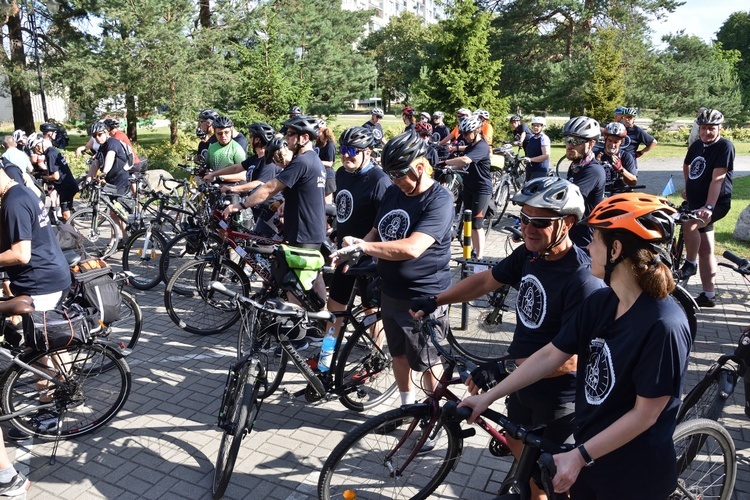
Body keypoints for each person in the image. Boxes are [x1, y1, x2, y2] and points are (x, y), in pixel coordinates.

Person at [459, 193, 691, 499]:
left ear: (616, 249)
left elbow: (644, 415)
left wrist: (580, 455)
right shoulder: (601, 302)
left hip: (630, 474)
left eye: (595, 239)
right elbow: (551, 353)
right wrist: (488, 397)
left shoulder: (664, 325)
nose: (588, 247)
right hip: (588, 456)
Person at [411, 177, 603, 498]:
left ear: (567, 223)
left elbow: (573, 358)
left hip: (560, 400)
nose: (527, 228)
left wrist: (505, 368)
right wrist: (436, 300)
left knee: (559, 484)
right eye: (523, 218)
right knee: (526, 468)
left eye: (539, 221)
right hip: (523, 387)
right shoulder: (530, 255)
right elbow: (486, 281)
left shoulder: (582, 279)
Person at [331, 130, 454, 409]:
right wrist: (356, 247)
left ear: (420, 168)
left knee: (426, 363)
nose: (395, 181)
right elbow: (377, 230)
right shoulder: (393, 192)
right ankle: (406, 407)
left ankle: (435, 417)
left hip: (423, 295)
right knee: (398, 355)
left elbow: (412, 247)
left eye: (399, 174)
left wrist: (365, 248)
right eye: (391, 174)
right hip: (391, 291)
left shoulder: (439, 200)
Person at [223, 115, 326, 250]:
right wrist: (285, 201)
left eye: (290, 134)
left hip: (304, 235)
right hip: (306, 233)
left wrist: (240, 205)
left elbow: (270, 188)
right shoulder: (312, 160)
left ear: (305, 138)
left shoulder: (302, 161)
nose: (286, 138)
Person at [327, 127, 391, 332]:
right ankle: (327, 357)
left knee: (370, 309)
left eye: (353, 150)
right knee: (335, 305)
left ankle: (375, 359)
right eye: (344, 149)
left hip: (369, 257)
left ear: (368, 153)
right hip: (344, 252)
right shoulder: (341, 174)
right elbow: (345, 208)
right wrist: (337, 229)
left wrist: (366, 247)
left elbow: (385, 225)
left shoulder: (379, 181)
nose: (346, 154)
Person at [676, 108, 734, 308]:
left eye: (711, 128)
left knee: (690, 224)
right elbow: (687, 165)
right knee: (707, 249)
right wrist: (688, 186)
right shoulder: (697, 145)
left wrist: (708, 207)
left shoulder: (725, 146)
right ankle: (709, 295)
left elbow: (717, 180)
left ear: (719, 128)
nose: (707, 132)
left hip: (716, 203)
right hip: (696, 202)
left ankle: (690, 264)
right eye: (703, 128)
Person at [445, 115, 491, 258]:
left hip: (481, 190)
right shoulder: (471, 146)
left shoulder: (482, 146)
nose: (464, 136)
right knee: (468, 222)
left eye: (466, 133)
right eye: (462, 133)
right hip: (469, 187)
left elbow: (465, 160)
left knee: (477, 224)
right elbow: (465, 165)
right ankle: (471, 251)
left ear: (477, 131)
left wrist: (446, 162)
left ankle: (480, 256)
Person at [561, 116, 605, 249]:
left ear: (591, 144)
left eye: (576, 141)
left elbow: (568, 201)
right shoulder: (576, 166)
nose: (570, 145)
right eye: (568, 140)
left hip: (582, 241)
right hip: (569, 234)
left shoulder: (593, 170)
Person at [27, 134, 78, 222]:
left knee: (66, 215)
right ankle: (73, 232)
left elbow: (55, 176)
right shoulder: (52, 151)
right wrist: (41, 173)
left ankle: (73, 234)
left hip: (66, 187)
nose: (34, 152)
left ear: (38, 146)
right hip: (67, 185)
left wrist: (42, 177)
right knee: (66, 213)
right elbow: (54, 170)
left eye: (33, 149)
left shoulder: (50, 155)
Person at [595, 122, 638, 192]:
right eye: (610, 140)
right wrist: (594, 166)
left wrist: (620, 169)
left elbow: (633, 182)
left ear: (621, 142)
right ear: (605, 139)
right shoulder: (595, 155)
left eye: (616, 142)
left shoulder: (626, 156)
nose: (612, 145)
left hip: (619, 195)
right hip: (599, 194)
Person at [316, 120, 337, 204]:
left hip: (328, 176)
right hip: (319, 175)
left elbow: (330, 163)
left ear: (321, 130)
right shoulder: (319, 144)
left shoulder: (330, 144)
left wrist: (316, 161)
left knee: (327, 203)